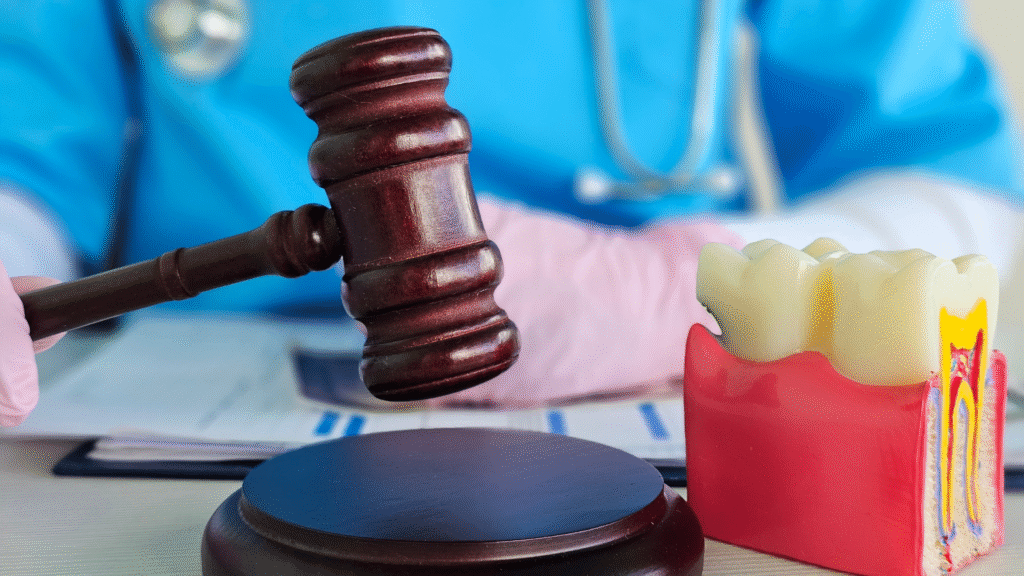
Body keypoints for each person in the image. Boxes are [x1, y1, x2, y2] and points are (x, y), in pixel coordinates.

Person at [2, 0, 1023, 425]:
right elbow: (25, 157)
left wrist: (675, 280)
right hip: (161, 431)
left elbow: (955, 174)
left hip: (638, 393)